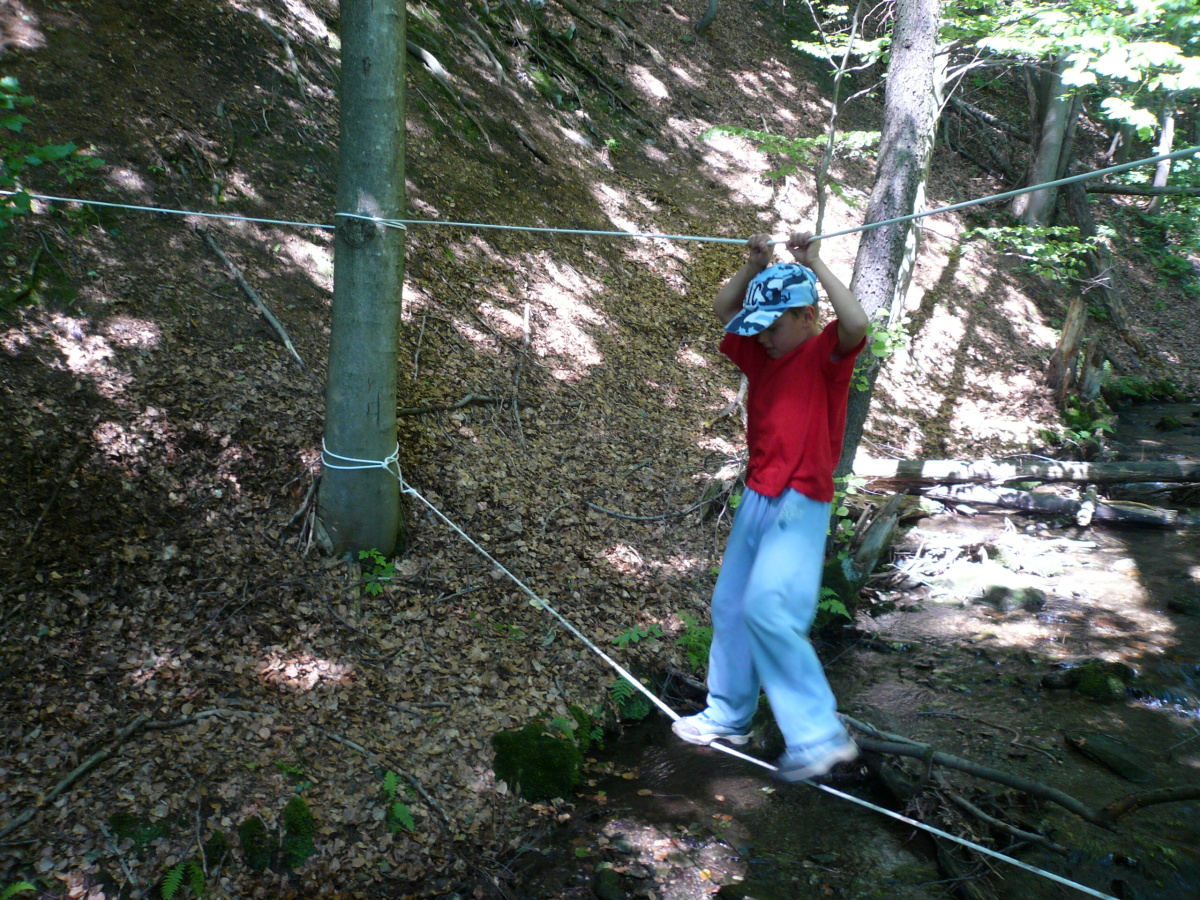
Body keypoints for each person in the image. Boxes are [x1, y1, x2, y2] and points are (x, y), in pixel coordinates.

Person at [671, 230, 869, 783]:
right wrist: (753, 266)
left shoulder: (824, 354)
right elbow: (723, 308)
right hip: (759, 493)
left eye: (773, 326)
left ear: (807, 316)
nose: (762, 337)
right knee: (731, 606)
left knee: (769, 609)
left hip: (801, 499)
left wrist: (816, 263)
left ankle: (819, 736)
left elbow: (856, 324)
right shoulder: (763, 355)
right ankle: (728, 716)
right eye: (757, 328)